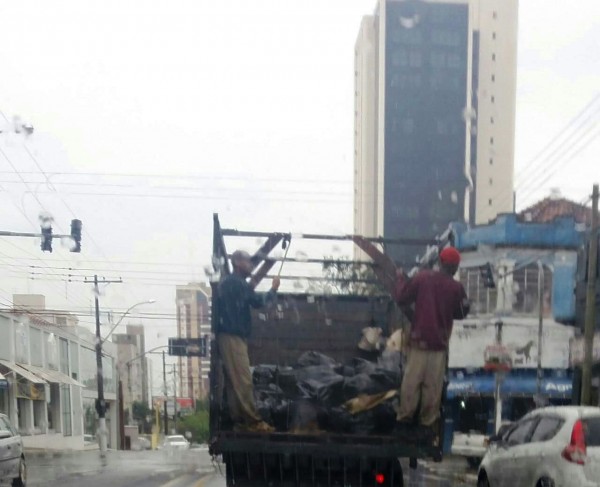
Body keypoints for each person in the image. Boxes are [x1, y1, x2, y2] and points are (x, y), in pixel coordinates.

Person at [394, 247, 470, 438]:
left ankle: (405, 420)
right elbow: (461, 313)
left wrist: (401, 278)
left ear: (440, 262)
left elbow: (402, 297)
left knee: (411, 383)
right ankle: (426, 425)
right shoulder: (456, 288)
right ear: (455, 267)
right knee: (432, 388)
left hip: (419, 343)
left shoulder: (423, 278)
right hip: (439, 346)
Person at [217, 250, 280, 433]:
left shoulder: (232, 283)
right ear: (237, 263)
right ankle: (253, 422)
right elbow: (258, 301)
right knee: (243, 380)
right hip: (232, 337)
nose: (251, 266)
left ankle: (240, 422)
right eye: (247, 262)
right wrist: (273, 289)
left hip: (230, 336)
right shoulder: (236, 283)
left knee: (234, 382)